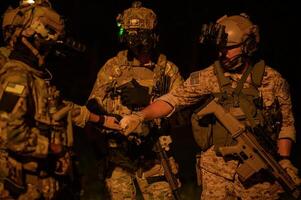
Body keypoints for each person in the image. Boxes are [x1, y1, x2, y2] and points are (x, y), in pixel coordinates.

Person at [120, 13, 301, 199]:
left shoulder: (272, 80)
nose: (223, 53)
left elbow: (286, 124)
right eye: (220, 48)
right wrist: (140, 116)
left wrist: (284, 160)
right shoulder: (207, 77)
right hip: (216, 173)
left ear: (248, 46)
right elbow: (173, 100)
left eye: (230, 48)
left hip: (260, 177)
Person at [0, 1, 121, 199]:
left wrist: (101, 120)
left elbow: (57, 108)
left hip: (44, 184)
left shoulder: (34, 76)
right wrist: (52, 148)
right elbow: (9, 132)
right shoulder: (17, 76)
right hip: (23, 187)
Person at [87, 1, 184, 199]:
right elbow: (93, 108)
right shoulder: (113, 67)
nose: (134, 42)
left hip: (155, 157)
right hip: (119, 158)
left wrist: (150, 99)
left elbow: (182, 114)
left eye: (139, 35)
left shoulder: (166, 70)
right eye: (129, 34)